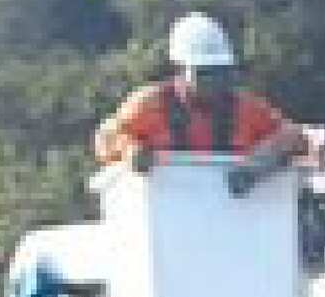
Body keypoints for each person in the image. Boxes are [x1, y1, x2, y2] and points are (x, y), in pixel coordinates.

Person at [89, 12, 311, 192]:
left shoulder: (246, 109)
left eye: (221, 73)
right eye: (204, 73)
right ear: (180, 69)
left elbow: (294, 137)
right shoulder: (150, 104)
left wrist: (258, 165)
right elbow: (106, 138)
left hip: (235, 226)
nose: (215, 82)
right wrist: (131, 151)